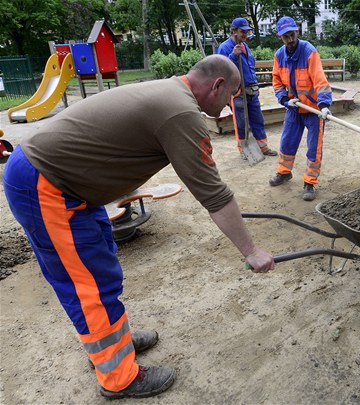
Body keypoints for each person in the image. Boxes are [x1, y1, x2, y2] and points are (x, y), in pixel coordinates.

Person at [2, 54, 275, 400]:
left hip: (66, 183)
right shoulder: (181, 112)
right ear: (217, 85)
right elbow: (214, 195)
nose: (230, 105)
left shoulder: (172, 94)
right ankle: (118, 377)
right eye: (231, 95)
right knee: (88, 286)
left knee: (101, 270)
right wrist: (251, 251)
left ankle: (112, 343)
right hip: (47, 185)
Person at [269, 16, 332, 202]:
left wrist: (324, 105)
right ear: (279, 37)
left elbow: (320, 81)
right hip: (294, 108)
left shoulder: (309, 52)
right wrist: (284, 100)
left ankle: (310, 182)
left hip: (313, 110)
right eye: (285, 36)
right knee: (287, 141)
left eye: (292, 34)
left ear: (297, 32)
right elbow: (277, 81)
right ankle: (284, 172)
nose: (290, 39)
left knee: (314, 147)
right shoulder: (279, 55)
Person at [217, 17, 277, 159]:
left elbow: (250, 65)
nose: (245, 34)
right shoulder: (225, 48)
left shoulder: (244, 46)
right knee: (241, 123)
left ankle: (263, 147)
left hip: (251, 90)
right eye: (242, 31)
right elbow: (221, 70)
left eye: (247, 32)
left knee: (257, 119)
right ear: (234, 31)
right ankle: (244, 150)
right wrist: (233, 56)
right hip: (238, 92)